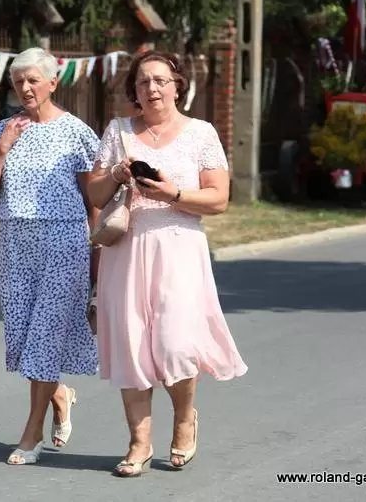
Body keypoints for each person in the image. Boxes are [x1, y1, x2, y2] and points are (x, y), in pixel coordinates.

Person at [87, 50, 248, 477]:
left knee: (176, 343)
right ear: (134, 91)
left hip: (179, 249)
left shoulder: (201, 133)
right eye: (143, 82)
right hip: (125, 251)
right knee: (132, 346)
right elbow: (95, 195)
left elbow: (219, 198)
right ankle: (138, 443)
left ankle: (184, 418)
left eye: (160, 80)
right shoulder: (118, 131)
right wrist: (117, 175)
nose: (152, 88)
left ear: (178, 85)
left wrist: (173, 194)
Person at [0, 47, 100, 465]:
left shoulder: (77, 132)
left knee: (44, 334)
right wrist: (0, 151)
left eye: (33, 80)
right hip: (16, 243)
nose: (25, 88)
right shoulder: (1, 131)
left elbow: (95, 199)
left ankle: (32, 435)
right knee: (25, 335)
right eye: (18, 81)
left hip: (65, 241)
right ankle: (59, 393)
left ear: (52, 82)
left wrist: (98, 252)